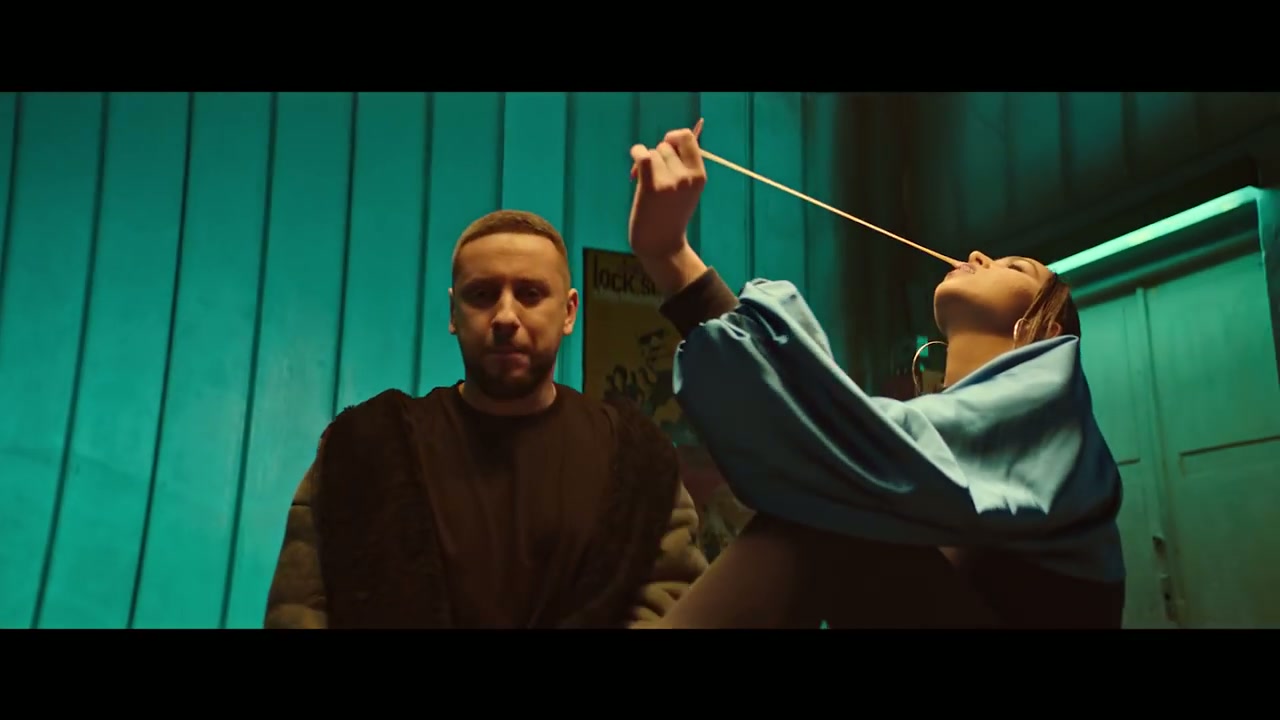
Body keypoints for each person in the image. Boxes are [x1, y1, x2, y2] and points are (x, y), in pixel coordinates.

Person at [624, 126, 1126, 628]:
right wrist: (668, 253)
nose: (977, 256)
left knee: (827, 512)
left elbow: (836, 449)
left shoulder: (1058, 423)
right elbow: (837, 442)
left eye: (1015, 268)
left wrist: (671, 258)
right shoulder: (920, 447)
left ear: (1049, 335)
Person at [263, 209, 708, 629]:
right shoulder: (364, 449)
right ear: (453, 313)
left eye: (530, 294)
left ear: (569, 312)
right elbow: (299, 610)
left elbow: (671, 601)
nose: (505, 316)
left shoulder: (636, 460)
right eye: (482, 295)